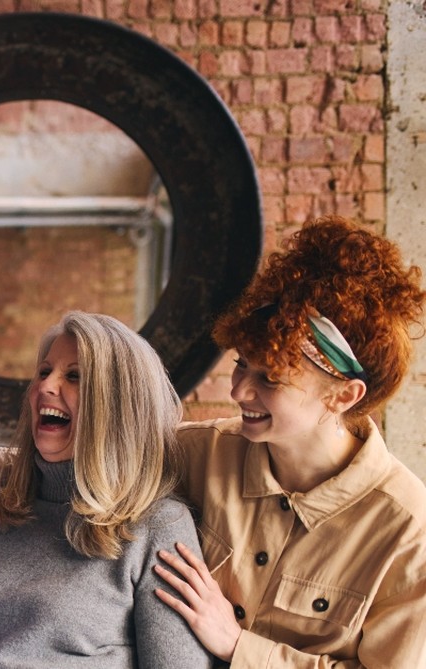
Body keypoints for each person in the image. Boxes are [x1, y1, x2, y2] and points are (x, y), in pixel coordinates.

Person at [152, 216, 426, 666]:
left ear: (342, 395)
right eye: (242, 364)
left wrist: (239, 646)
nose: (238, 391)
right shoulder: (207, 452)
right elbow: (100, 458)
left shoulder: (406, 531)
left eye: (271, 379)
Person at [0, 311, 212, 668]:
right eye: (43, 372)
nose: (45, 387)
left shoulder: (159, 525)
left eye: (74, 376)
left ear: (116, 405)